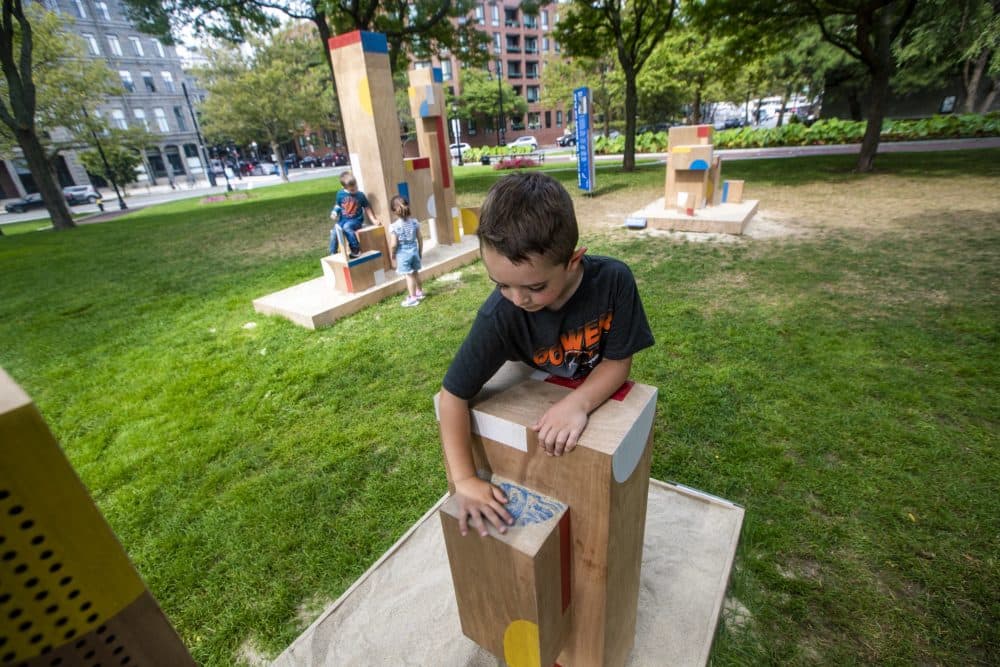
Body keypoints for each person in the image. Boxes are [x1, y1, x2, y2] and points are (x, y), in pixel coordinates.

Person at [438, 172, 655, 537]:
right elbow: (452, 397)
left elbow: (618, 362)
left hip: (592, 391)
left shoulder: (614, 282)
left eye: (535, 287)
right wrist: (464, 478)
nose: (518, 299)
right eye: (501, 284)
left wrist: (578, 403)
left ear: (573, 261)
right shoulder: (501, 315)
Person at [329, 171, 380, 257]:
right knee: (335, 231)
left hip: (356, 221)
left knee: (347, 227)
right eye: (352, 189)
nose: (355, 189)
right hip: (342, 220)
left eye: (356, 186)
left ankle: (356, 250)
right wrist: (334, 212)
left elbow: (367, 208)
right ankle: (333, 253)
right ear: (344, 187)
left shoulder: (360, 195)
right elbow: (338, 205)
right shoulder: (340, 194)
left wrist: (374, 220)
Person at [388, 195, 425, 307]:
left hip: (403, 254)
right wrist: (420, 252)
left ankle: (413, 298)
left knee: (409, 275)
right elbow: (420, 238)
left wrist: (393, 254)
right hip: (414, 251)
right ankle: (419, 292)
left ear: (394, 211)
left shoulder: (394, 226)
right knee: (415, 272)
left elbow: (394, 244)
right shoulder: (414, 222)